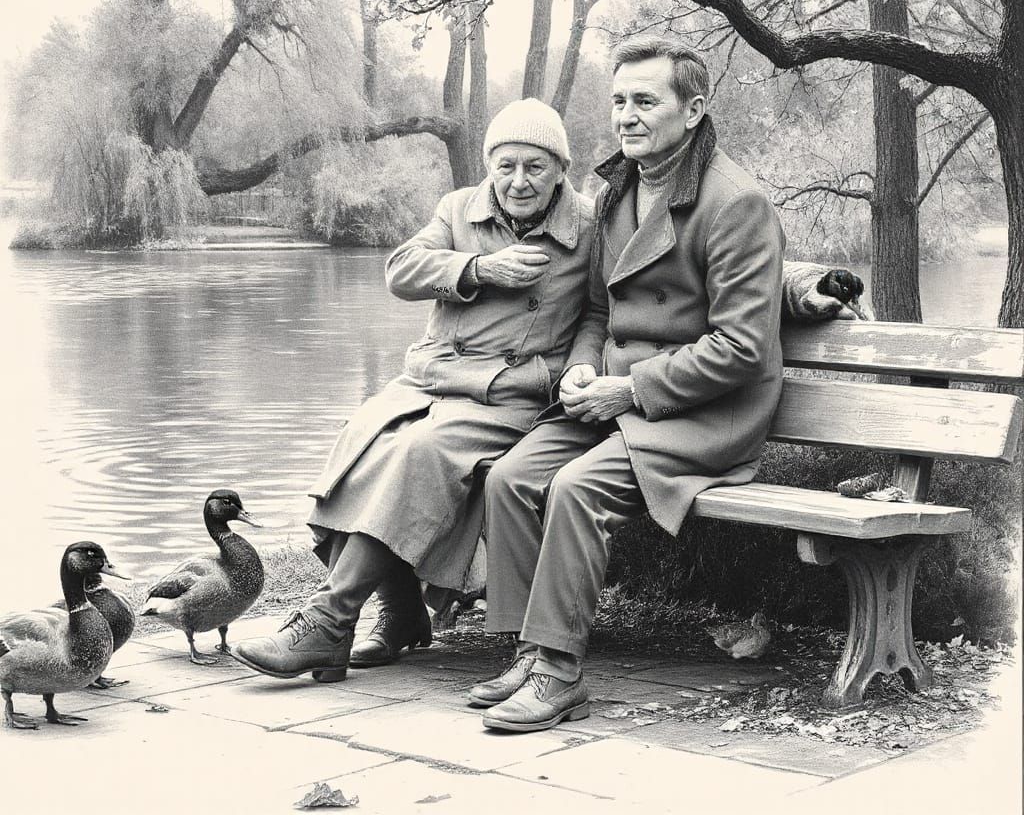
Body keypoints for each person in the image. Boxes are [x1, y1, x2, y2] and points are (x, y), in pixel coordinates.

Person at [471, 36, 787, 732]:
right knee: (511, 477)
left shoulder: (736, 204)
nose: (627, 116)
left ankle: (558, 675)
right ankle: (529, 652)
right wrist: (586, 365)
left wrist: (631, 389)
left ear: (694, 109)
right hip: (618, 397)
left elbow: (741, 347)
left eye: (645, 100)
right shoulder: (615, 191)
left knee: (576, 489)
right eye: (618, 101)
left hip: (704, 412)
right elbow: (595, 311)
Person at [233, 98, 596, 681]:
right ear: (489, 166)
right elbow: (401, 270)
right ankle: (401, 613)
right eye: (505, 166)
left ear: (561, 168)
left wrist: (578, 367)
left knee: (418, 454)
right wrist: (479, 269)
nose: (519, 181)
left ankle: (329, 621)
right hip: (430, 378)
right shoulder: (458, 209)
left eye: (535, 166)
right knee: (360, 440)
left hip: (512, 393)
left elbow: (605, 310)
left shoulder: (590, 225)